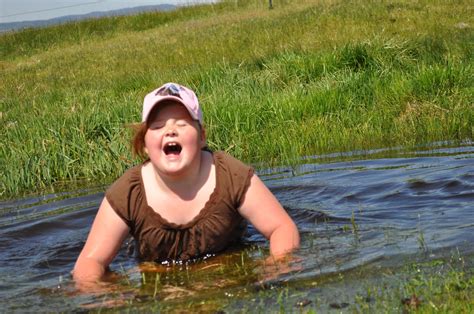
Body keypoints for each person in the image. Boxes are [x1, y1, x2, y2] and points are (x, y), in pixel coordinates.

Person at [73, 82, 300, 283]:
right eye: (157, 126)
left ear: (202, 136)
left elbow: (282, 227)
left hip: (226, 271)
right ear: (143, 144)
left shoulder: (230, 174)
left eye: (182, 123)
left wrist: (274, 269)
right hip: (160, 281)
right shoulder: (128, 192)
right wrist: (108, 298)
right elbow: (90, 262)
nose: (170, 131)